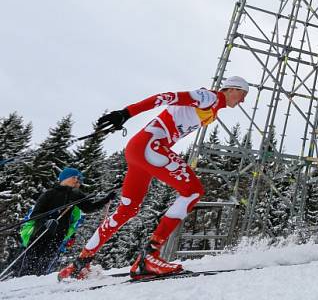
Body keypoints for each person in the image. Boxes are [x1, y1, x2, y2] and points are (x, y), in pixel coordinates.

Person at [58, 76, 250, 281]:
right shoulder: (210, 97)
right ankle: (150, 256)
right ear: (231, 89)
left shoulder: (212, 106)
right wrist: (126, 113)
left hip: (140, 149)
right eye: (242, 94)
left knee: (127, 210)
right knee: (193, 191)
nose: (242, 101)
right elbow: (165, 97)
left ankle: (80, 263)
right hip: (151, 147)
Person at [15, 168, 115, 277]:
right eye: (75, 178)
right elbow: (35, 214)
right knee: (32, 259)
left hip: (59, 234)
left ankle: (38, 282)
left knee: (46, 260)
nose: (78, 181)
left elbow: (89, 208)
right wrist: (46, 221)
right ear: (64, 178)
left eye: (80, 179)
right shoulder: (50, 193)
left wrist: (106, 199)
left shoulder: (76, 194)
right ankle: (23, 280)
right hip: (41, 232)